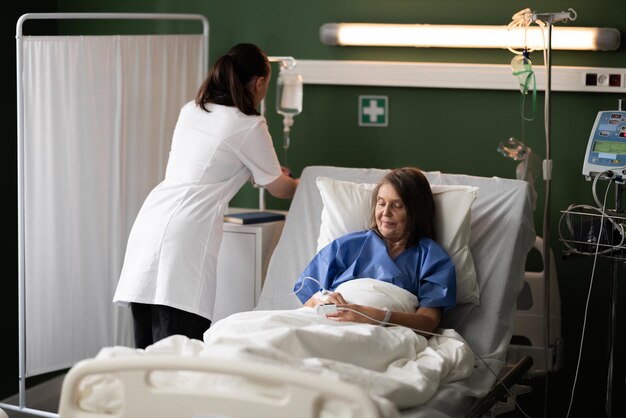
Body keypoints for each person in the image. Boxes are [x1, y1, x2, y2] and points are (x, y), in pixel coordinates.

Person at [114, 43, 299, 349]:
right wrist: (307, 182)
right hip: (185, 235)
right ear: (260, 83)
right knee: (180, 352)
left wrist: (258, 169)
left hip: (150, 223)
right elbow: (280, 188)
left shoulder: (192, 109)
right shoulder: (249, 124)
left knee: (146, 356)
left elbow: (210, 165)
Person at [292, 167, 455, 334]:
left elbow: (427, 321)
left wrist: (376, 316)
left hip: (381, 335)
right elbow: (308, 307)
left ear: (417, 211)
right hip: (326, 324)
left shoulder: (432, 258)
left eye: (397, 206)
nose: (385, 212)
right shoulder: (346, 246)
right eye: (381, 203)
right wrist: (320, 301)